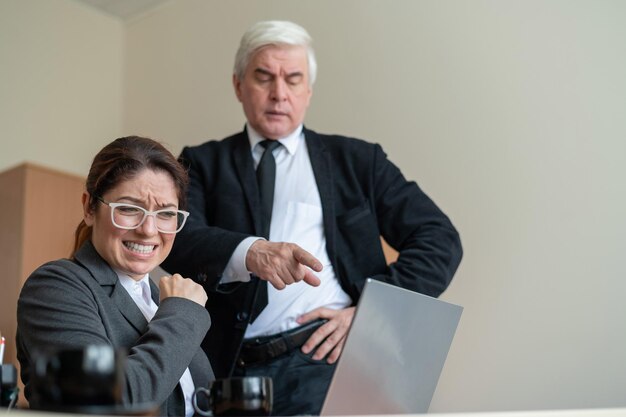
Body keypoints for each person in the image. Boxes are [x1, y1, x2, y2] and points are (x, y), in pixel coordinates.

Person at [162, 20, 463, 416]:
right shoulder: (201, 163)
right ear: (238, 85)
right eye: (263, 77)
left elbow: (439, 239)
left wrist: (372, 312)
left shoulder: (358, 161)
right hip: (229, 372)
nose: (278, 94)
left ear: (308, 91)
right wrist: (250, 252)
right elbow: (176, 240)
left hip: (328, 362)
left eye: (293, 79)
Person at [16, 136, 214, 416]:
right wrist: (182, 313)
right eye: (129, 209)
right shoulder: (55, 287)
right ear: (89, 208)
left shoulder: (162, 299)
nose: (148, 229)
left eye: (166, 213)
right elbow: (111, 402)